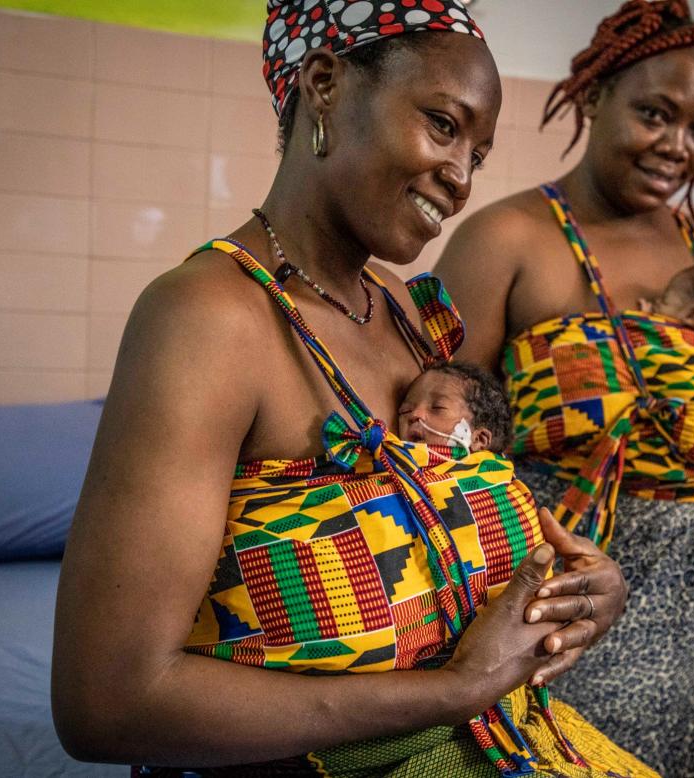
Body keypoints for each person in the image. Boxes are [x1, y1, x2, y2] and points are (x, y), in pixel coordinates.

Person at [52, 2, 654, 775]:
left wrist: (572, 587)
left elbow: (457, 523)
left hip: (497, 741)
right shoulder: (211, 318)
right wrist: (453, 690)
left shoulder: (410, 316)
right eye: (443, 125)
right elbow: (106, 702)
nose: (463, 179)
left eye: (478, 152)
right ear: (326, 83)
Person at [434, 1, 694, 774]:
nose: (677, 147)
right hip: (561, 593)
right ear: (592, 98)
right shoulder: (506, 240)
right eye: (654, 114)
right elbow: (440, 437)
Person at [398, 361, 513, 454]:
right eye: (406, 410)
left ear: (478, 439)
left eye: (438, 407)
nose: (415, 414)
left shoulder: (491, 481)